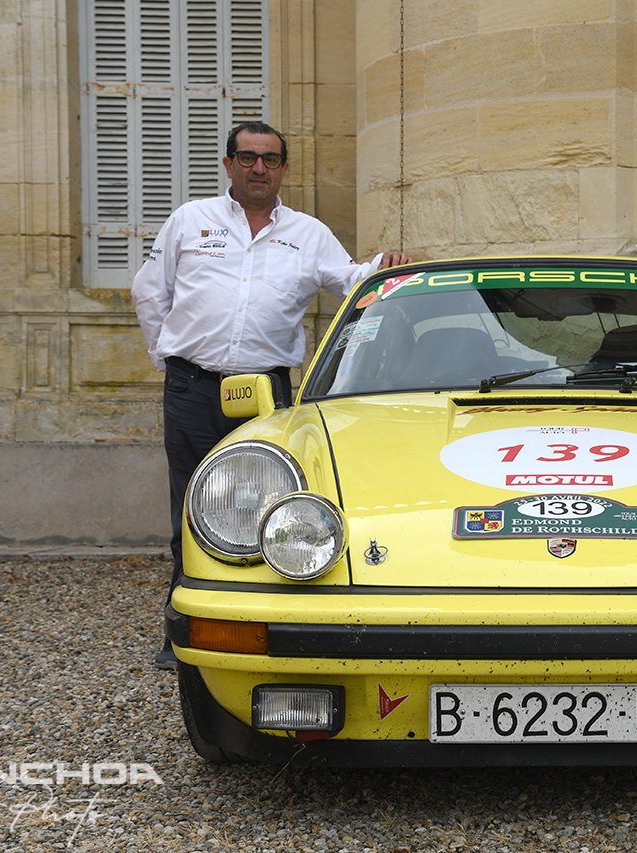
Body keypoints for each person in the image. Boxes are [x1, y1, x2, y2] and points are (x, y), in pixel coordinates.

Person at [132, 121, 411, 668]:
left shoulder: (308, 232)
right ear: (229, 164)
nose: (258, 168)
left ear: (284, 168)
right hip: (192, 386)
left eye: (270, 159)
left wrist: (386, 270)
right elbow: (150, 291)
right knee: (192, 505)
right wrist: (167, 357)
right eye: (247, 157)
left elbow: (353, 282)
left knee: (271, 501)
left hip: (266, 391)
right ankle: (184, 630)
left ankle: (266, 622)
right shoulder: (191, 220)